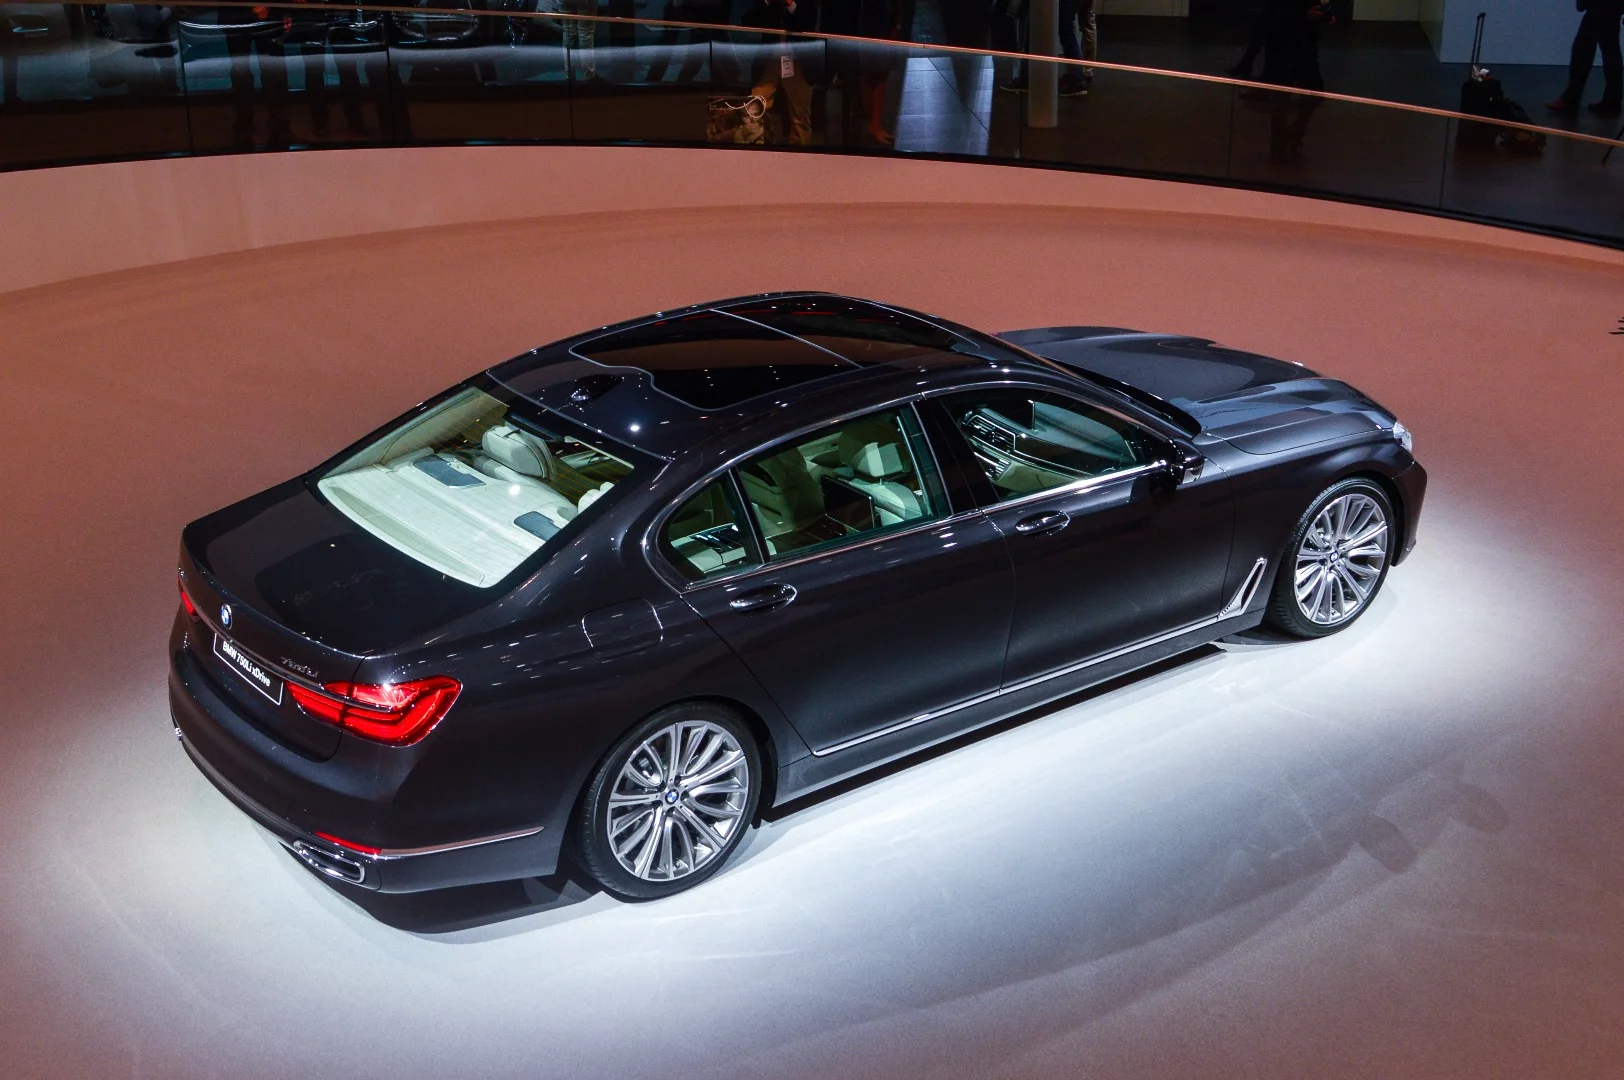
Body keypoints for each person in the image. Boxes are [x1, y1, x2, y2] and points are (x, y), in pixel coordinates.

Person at [1259, 0, 1329, 161]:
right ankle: (1285, 142)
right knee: (1285, 98)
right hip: (1286, 47)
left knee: (1297, 97)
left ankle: (1286, 141)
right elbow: (1274, 13)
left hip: (1298, 47)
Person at [740, 0, 819, 144]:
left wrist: (790, 3)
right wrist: (766, 2)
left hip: (798, 60)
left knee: (800, 113)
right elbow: (747, 20)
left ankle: (799, 156)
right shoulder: (769, 5)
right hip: (770, 58)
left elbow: (808, 22)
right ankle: (761, 149)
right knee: (756, 107)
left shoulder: (807, 5)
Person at [1547, 0, 1623, 118]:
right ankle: (1611, 101)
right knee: (1608, 52)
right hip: (1609, 7)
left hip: (1603, 6)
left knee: (1584, 51)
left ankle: (1572, 98)